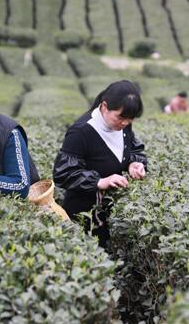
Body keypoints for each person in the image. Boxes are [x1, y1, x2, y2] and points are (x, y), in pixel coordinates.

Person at [53, 80, 147, 248]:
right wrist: (99, 182)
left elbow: (132, 148)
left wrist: (134, 164)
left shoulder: (123, 126)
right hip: (83, 216)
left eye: (130, 119)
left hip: (110, 211)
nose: (125, 123)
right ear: (104, 106)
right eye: (121, 117)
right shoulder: (82, 131)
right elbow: (63, 173)